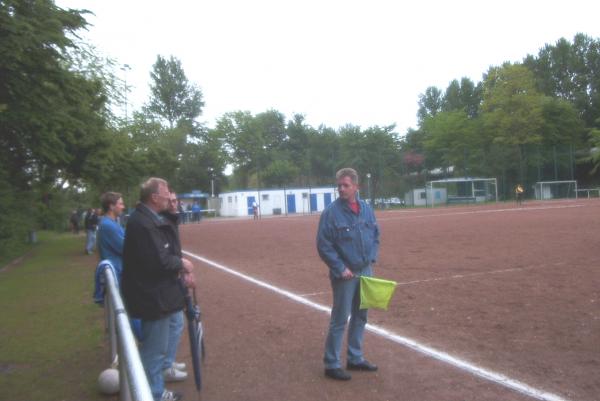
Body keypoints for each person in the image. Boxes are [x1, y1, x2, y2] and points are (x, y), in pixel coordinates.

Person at [122, 178, 195, 401]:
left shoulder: (149, 218)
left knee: (172, 328)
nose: (169, 197)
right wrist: (182, 264)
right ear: (154, 197)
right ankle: (152, 393)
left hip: (158, 292)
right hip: (151, 295)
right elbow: (159, 261)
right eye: (165, 193)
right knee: (154, 349)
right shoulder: (143, 223)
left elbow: (166, 248)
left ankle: (160, 377)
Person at [316, 168, 380, 381]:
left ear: (356, 187)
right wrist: (340, 268)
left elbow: (375, 235)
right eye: (339, 185)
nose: (341, 189)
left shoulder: (366, 209)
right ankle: (331, 364)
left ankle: (355, 358)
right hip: (344, 274)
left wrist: (371, 258)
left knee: (361, 316)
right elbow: (324, 245)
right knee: (340, 318)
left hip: (365, 270)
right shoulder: (331, 213)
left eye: (346, 185)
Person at [160, 190, 189, 383]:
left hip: (171, 276)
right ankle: (165, 366)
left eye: (175, 200)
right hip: (164, 281)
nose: (173, 203)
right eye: (169, 200)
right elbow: (163, 254)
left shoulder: (171, 219)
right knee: (175, 322)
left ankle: (167, 363)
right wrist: (181, 265)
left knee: (175, 322)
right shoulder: (162, 222)